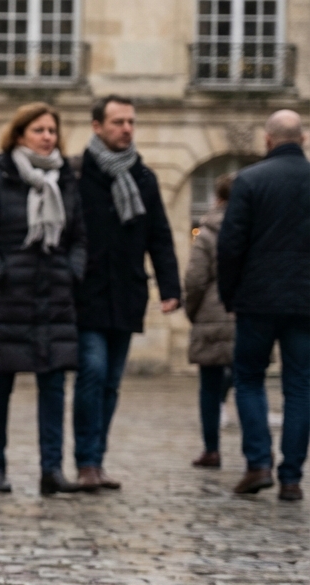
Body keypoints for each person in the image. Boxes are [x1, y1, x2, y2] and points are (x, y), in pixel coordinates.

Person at [0, 102, 88, 495]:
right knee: (0, 388)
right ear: (19, 135)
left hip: (53, 299)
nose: (48, 136)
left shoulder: (66, 180)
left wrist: (71, 270)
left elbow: (80, 237)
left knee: (53, 387)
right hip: (4, 301)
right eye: (39, 130)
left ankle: (52, 469)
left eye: (52, 130)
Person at [72, 96, 181, 491]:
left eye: (131, 122)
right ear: (97, 126)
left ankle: (97, 460)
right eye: (118, 122)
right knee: (93, 373)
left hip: (127, 293)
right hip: (86, 293)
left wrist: (170, 288)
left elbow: (160, 236)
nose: (127, 129)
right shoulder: (77, 174)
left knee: (112, 382)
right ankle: (85, 460)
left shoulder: (144, 177)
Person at [218, 110, 310, 501]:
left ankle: (258, 464)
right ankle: (291, 477)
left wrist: (229, 293)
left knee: (249, 379)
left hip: (256, 299)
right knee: (300, 386)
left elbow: (230, 245)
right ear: (303, 140)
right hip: (306, 302)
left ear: (267, 141)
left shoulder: (250, 181)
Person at [185, 172, 238, 469]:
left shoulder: (206, 232)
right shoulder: (253, 228)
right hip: (245, 313)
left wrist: (194, 313)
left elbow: (195, 279)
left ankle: (211, 449)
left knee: (209, 385)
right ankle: (256, 453)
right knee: (247, 381)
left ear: (216, 197)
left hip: (210, 314)